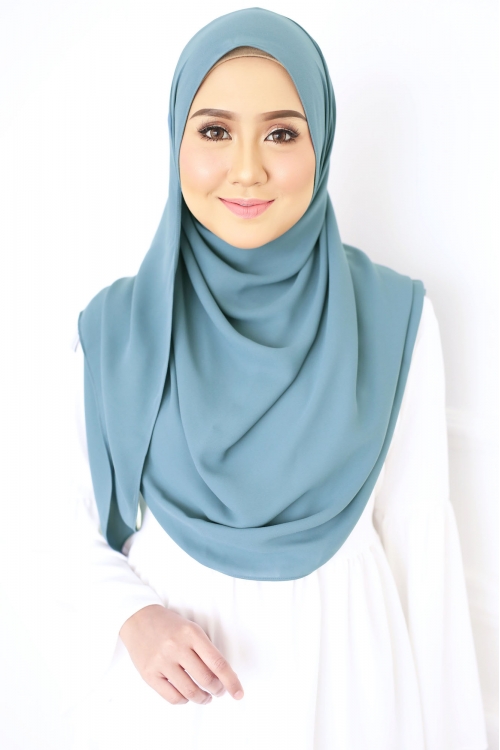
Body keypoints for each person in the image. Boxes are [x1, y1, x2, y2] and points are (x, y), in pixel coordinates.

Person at [68, 8, 488, 750]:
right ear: (176, 140)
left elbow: (422, 551)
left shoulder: (394, 317)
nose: (247, 169)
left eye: (282, 134)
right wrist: (132, 618)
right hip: (175, 714)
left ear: (321, 141)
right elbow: (62, 526)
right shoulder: (116, 328)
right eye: (215, 131)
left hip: (354, 700)